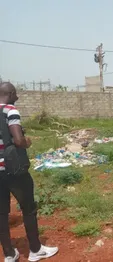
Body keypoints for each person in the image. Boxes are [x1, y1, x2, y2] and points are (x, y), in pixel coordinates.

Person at [0, 82, 58, 262]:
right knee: (29, 209)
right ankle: (35, 249)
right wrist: (27, 142)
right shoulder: (10, 110)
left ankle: (9, 254)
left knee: (2, 213)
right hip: (14, 170)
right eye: (15, 93)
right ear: (10, 93)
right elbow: (18, 140)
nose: (17, 97)